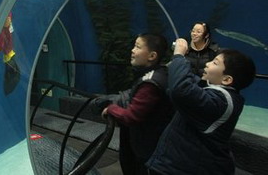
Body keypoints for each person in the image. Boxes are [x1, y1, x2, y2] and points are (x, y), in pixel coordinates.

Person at [146, 38, 256, 175]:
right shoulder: (217, 94)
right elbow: (190, 83)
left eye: (215, 63)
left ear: (227, 79)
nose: (208, 64)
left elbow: (181, 90)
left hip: (185, 169)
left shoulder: (221, 102)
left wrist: (179, 56)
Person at [94, 33, 174, 175]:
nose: (132, 50)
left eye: (137, 47)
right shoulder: (159, 73)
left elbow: (132, 116)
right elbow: (134, 94)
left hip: (148, 150)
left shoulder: (150, 83)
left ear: (152, 56)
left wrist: (111, 109)